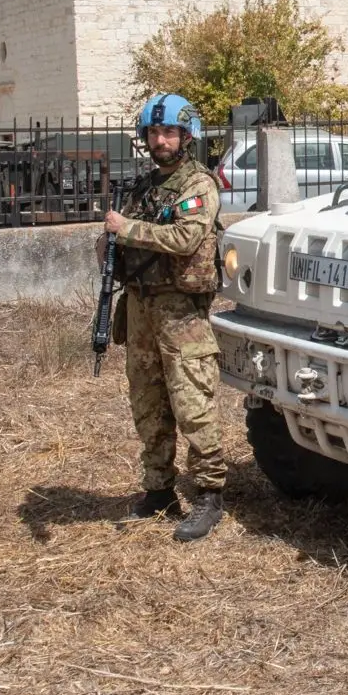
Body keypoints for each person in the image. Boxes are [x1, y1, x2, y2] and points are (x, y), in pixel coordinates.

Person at [101, 93, 226, 542]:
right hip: (140, 309)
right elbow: (118, 244)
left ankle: (211, 494)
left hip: (180, 314)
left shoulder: (199, 184)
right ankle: (159, 491)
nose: (160, 140)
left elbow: (186, 238)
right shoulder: (141, 188)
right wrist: (109, 246)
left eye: (169, 132)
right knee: (148, 405)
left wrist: (126, 229)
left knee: (193, 404)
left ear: (185, 136)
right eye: (154, 133)